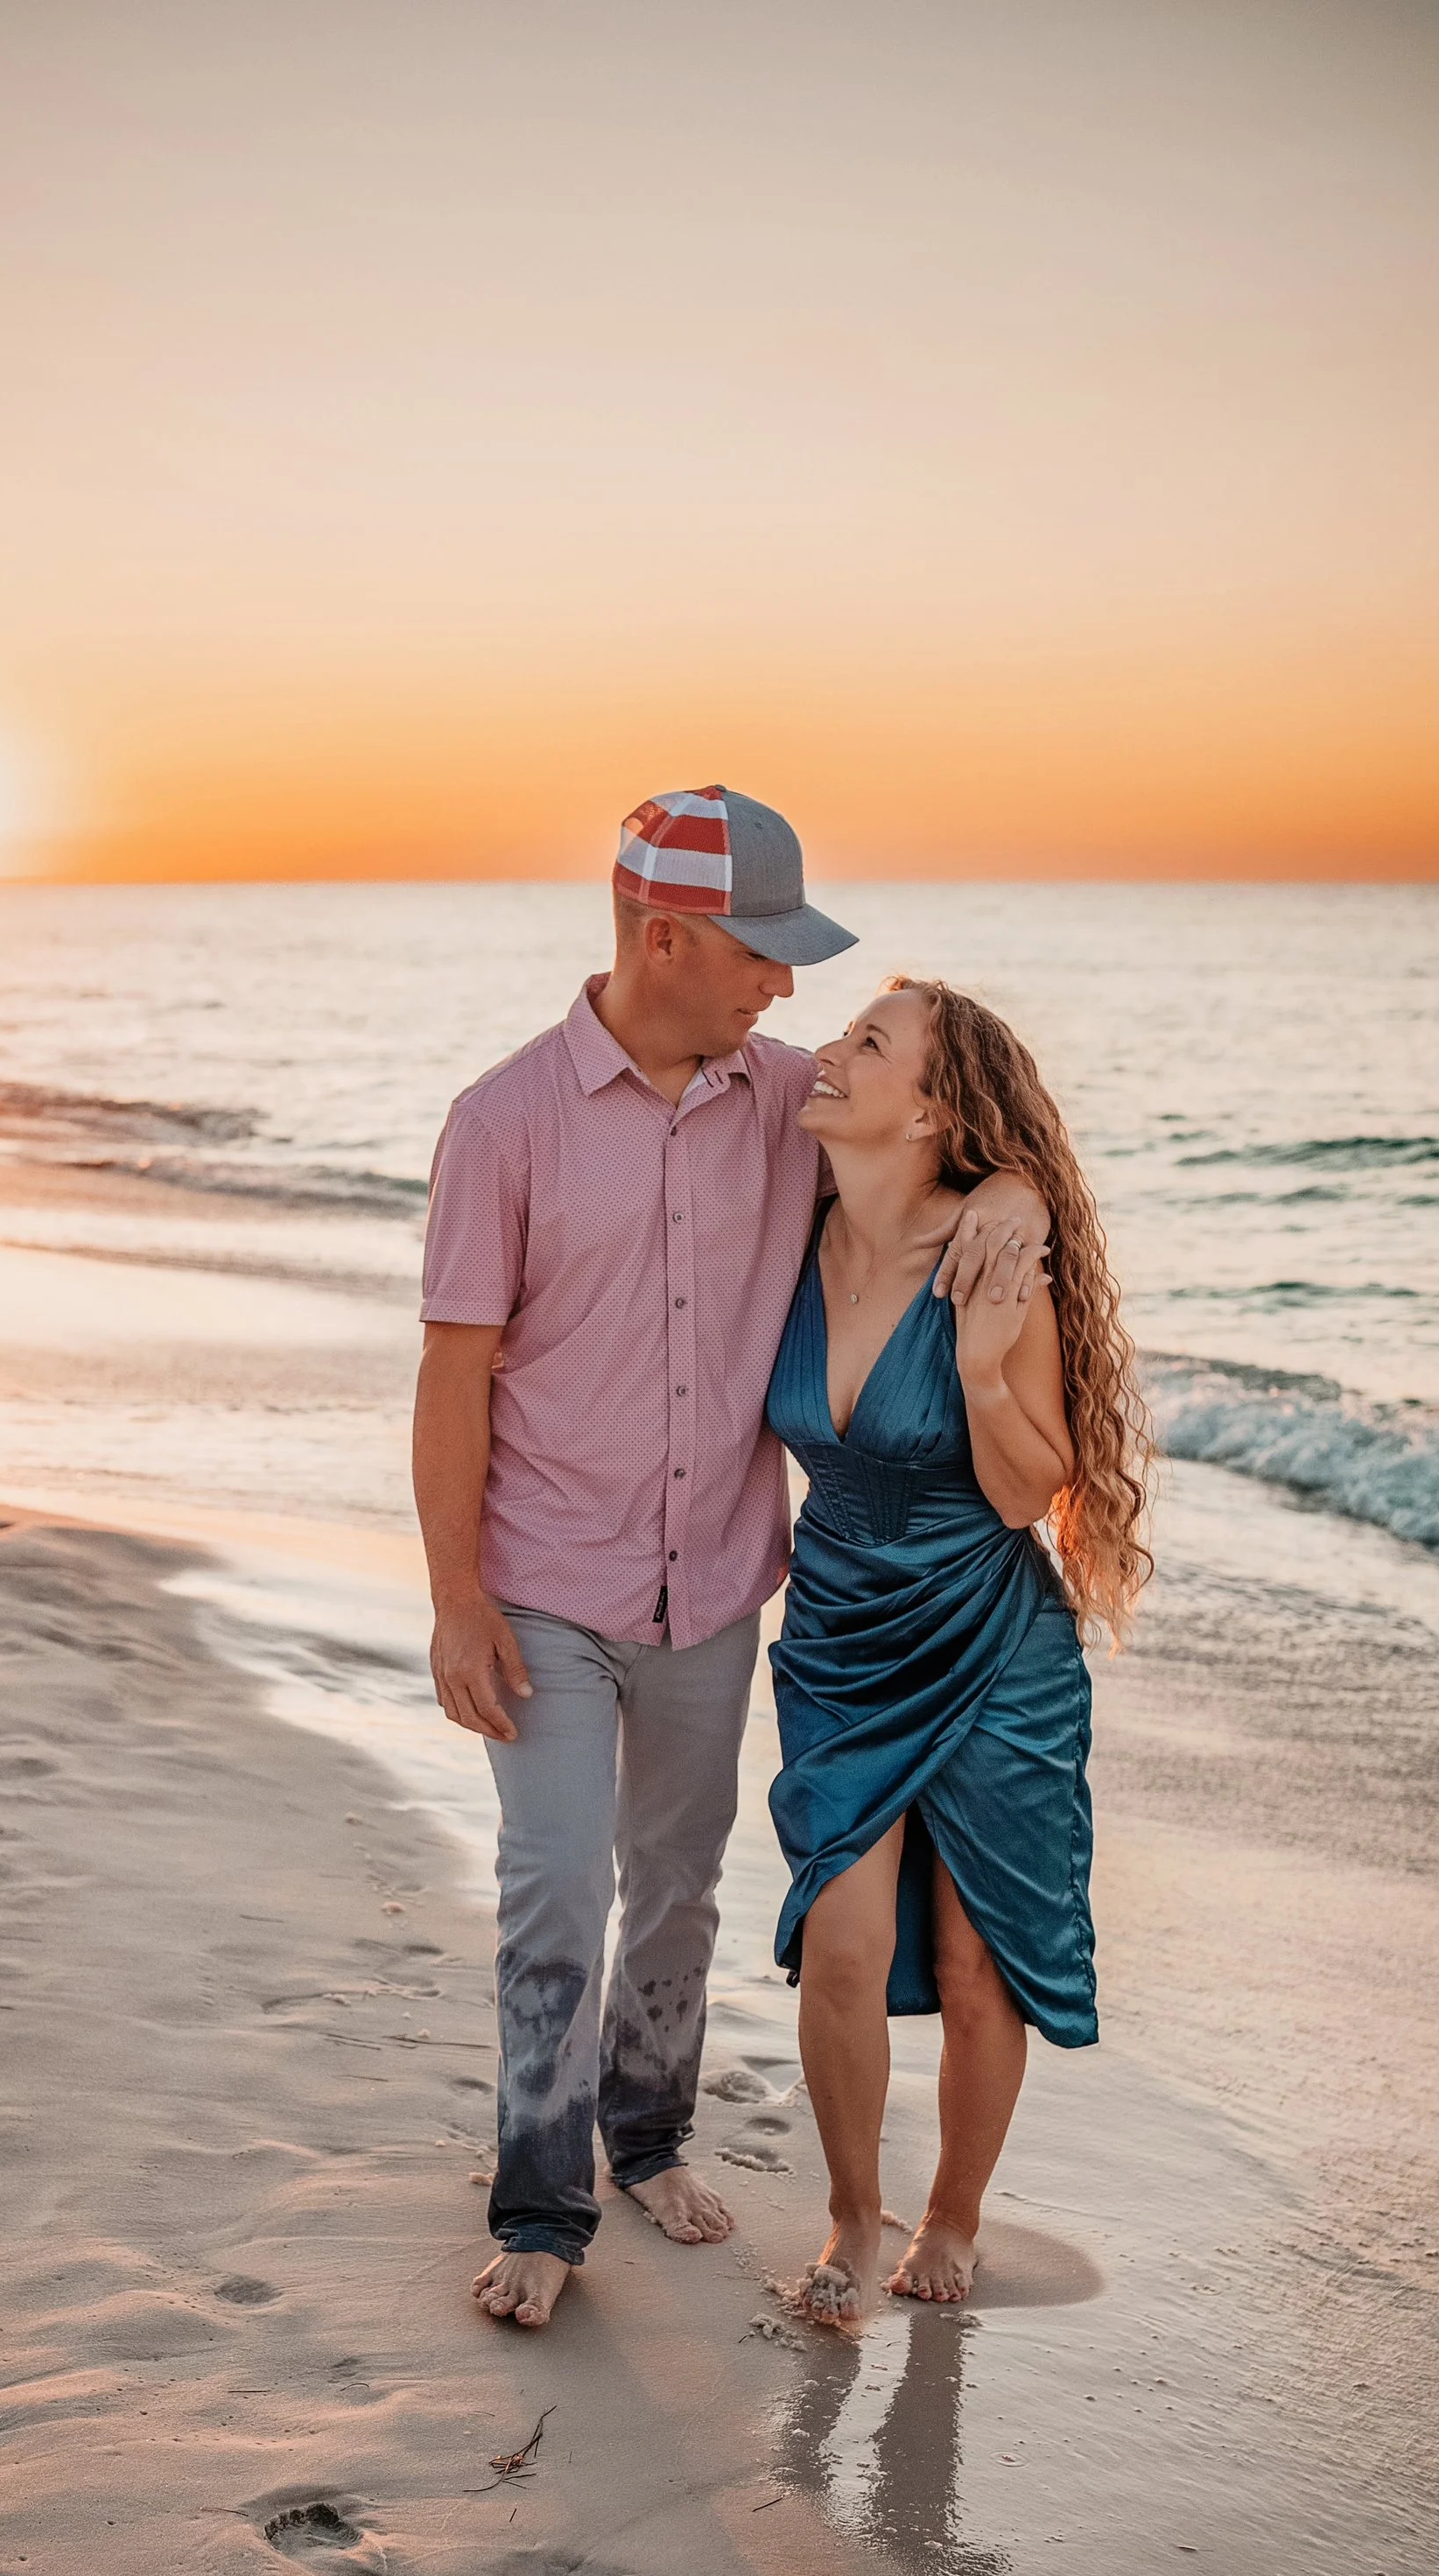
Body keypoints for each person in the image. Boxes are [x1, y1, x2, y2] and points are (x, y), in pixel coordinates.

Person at [415, 789, 1045, 2331]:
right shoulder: (504, 1123)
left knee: (679, 1886)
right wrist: (453, 1599)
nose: (785, 989)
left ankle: (645, 2135)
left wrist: (1017, 1190)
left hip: (713, 1591)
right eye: (762, 955)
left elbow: (939, 1165)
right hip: (546, 1584)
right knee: (557, 1885)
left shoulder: (787, 1103)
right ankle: (541, 2202)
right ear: (667, 935)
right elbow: (452, 1377)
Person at [765, 978, 1150, 2321]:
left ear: (931, 1109)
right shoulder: (793, 1226)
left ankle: (953, 2215)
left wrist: (985, 1369)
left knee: (982, 1963)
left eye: (868, 1042)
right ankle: (847, 2216)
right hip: (836, 1634)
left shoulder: (988, 1255)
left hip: (990, 1634)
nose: (831, 1047)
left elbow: (1021, 1491)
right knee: (845, 1944)